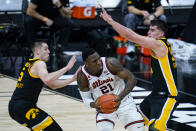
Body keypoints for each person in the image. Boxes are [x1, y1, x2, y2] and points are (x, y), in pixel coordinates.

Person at [100, 5, 178, 131]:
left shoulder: (159, 44)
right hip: (155, 95)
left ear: (161, 34)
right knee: (134, 123)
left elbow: (131, 36)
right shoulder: (157, 44)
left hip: (167, 97)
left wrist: (110, 21)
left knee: (155, 129)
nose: (148, 32)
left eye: (152, 30)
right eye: (149, 29)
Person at [8, 41, 81, 130]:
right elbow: (47, 79)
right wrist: (67, 68)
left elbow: (52, 85)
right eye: (45, 49)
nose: (49, 51)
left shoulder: (31, 64)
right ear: (37, 51)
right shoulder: (39, 63)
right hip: (23, 107)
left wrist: (72, 79)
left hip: (16, 108)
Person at [77, 48, 144, 131]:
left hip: (123, 102)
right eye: (94, 61)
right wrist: (94, 105)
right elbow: (86, 99)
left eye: (98, 58)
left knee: (137, 128)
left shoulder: (110, 63)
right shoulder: (82, 76)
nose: (98, 62)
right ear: (86, 63)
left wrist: (120, 97)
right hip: (104, 107)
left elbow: (132, 79)